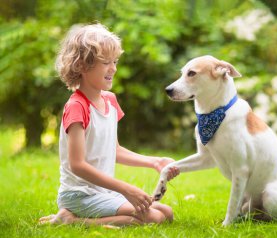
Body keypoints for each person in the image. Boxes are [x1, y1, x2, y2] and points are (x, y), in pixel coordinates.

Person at [39, 23, 179, 227]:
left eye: (115, 61)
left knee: (167, 212)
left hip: (102, 192)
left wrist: (155, 162)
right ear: (81, 65)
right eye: (105, 62)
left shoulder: (110, 101)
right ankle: (72, 220)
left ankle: (74, 218)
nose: (113, 68)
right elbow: (77, 165)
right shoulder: (77, 106)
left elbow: (115, 150)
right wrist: (125, 188)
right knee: (154, 217)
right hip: (80, 195)